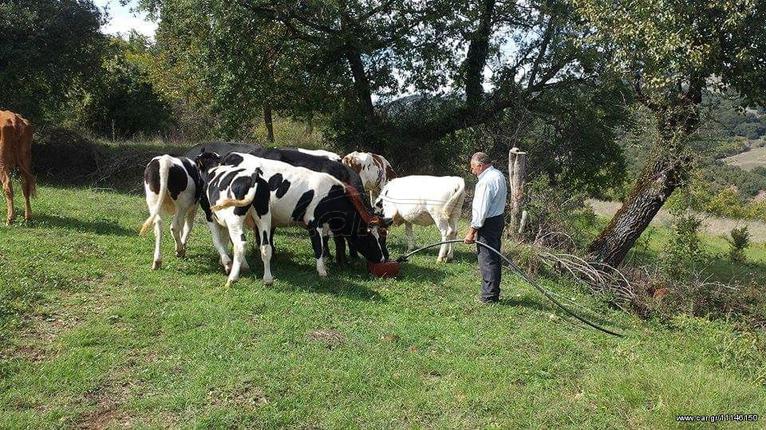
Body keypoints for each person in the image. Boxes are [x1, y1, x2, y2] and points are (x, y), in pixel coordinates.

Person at [464, 152, 508, 303]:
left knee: (487, 259)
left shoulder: (484, 182)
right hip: (498, 220)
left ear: (480, 165)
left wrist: (471, 232)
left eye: (473, 167)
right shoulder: (498, 175)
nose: (472, 171)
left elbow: (480, 211)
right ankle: (493, 292)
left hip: (488, 223)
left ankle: (489, 297)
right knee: (494, 257)